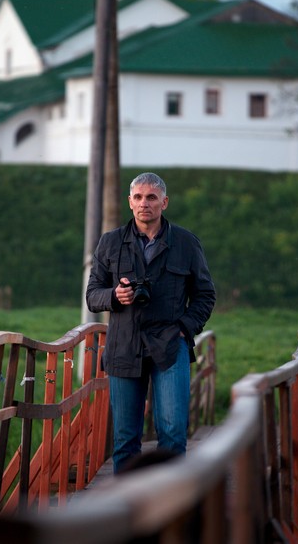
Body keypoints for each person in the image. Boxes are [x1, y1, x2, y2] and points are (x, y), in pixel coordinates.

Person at [86, 172, 216, 474]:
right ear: (130, 202)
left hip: (170, 346)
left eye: (152, 197)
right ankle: (128, 513)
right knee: (125, 439)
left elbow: (205, 294)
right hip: (123, 347)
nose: (145, 203)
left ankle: (169, 511)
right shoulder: (110, 243)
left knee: (172, 434)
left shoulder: (185, 242)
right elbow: (93, 295)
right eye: (139, 197)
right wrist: (115, 296)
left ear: (164, 202)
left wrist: (185, 328)